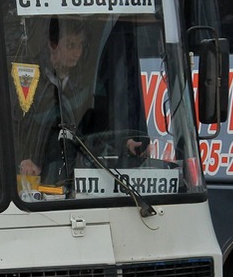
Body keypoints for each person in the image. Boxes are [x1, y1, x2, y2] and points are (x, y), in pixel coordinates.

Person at [16, 17, 146, 188]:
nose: (77, 52)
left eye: (80, 45)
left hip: (76, 177)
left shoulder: (85, 85)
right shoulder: (27, 82)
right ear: (52, 45)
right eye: (70, 45)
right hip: (34, 178)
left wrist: (125, 142)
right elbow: (14, 129)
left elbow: (101, 126)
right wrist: (22, 158)